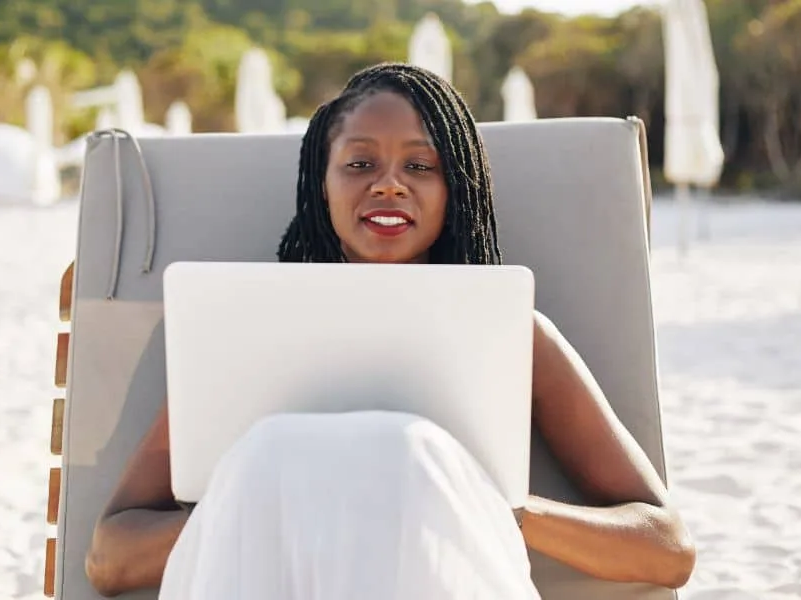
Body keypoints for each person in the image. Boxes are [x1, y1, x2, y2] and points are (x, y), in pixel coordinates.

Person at [84, 63, 696, 599]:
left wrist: (487, 505)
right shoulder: (242, 329)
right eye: (359, 163)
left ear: (456, 188)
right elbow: (109, 559)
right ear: (319, 185)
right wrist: (281, 503)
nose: (388, 183)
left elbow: (665, 549)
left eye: (420, 164)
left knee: (408, 452)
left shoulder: (509, 334)